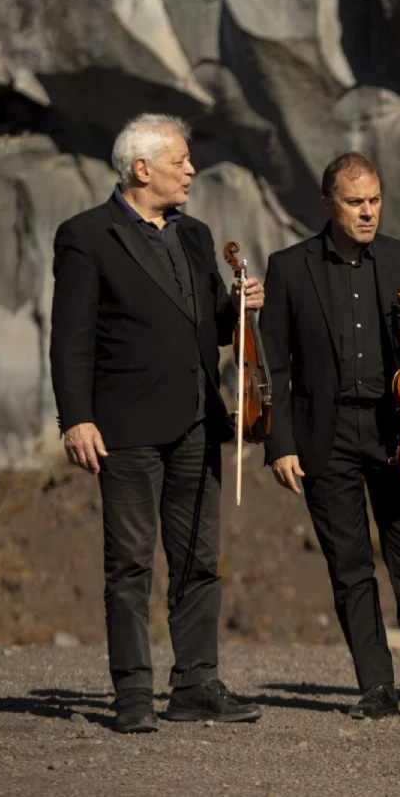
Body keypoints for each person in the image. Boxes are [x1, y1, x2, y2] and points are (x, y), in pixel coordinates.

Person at [50, 113, 264, 734]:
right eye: (181, 161)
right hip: (125, 428)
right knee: (131, 565)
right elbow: (71, 340)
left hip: (198, 423)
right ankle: (134, 695)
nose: (191, 170)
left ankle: (197, 684)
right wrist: (76, 419)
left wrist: (242, 307)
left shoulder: (195, 235)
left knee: (199, 561)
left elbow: (214, 325)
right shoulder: (86, 236)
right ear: (141, 168)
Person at [260, 152, 400, 723]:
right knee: (350, 566)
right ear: (328, 203)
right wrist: (280, 443)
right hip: (324, 436)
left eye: (375, 201)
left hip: (398, 429)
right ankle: (376, 687)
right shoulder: (289, 267)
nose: (367, 212)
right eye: (355, 202)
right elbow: (274, 369)